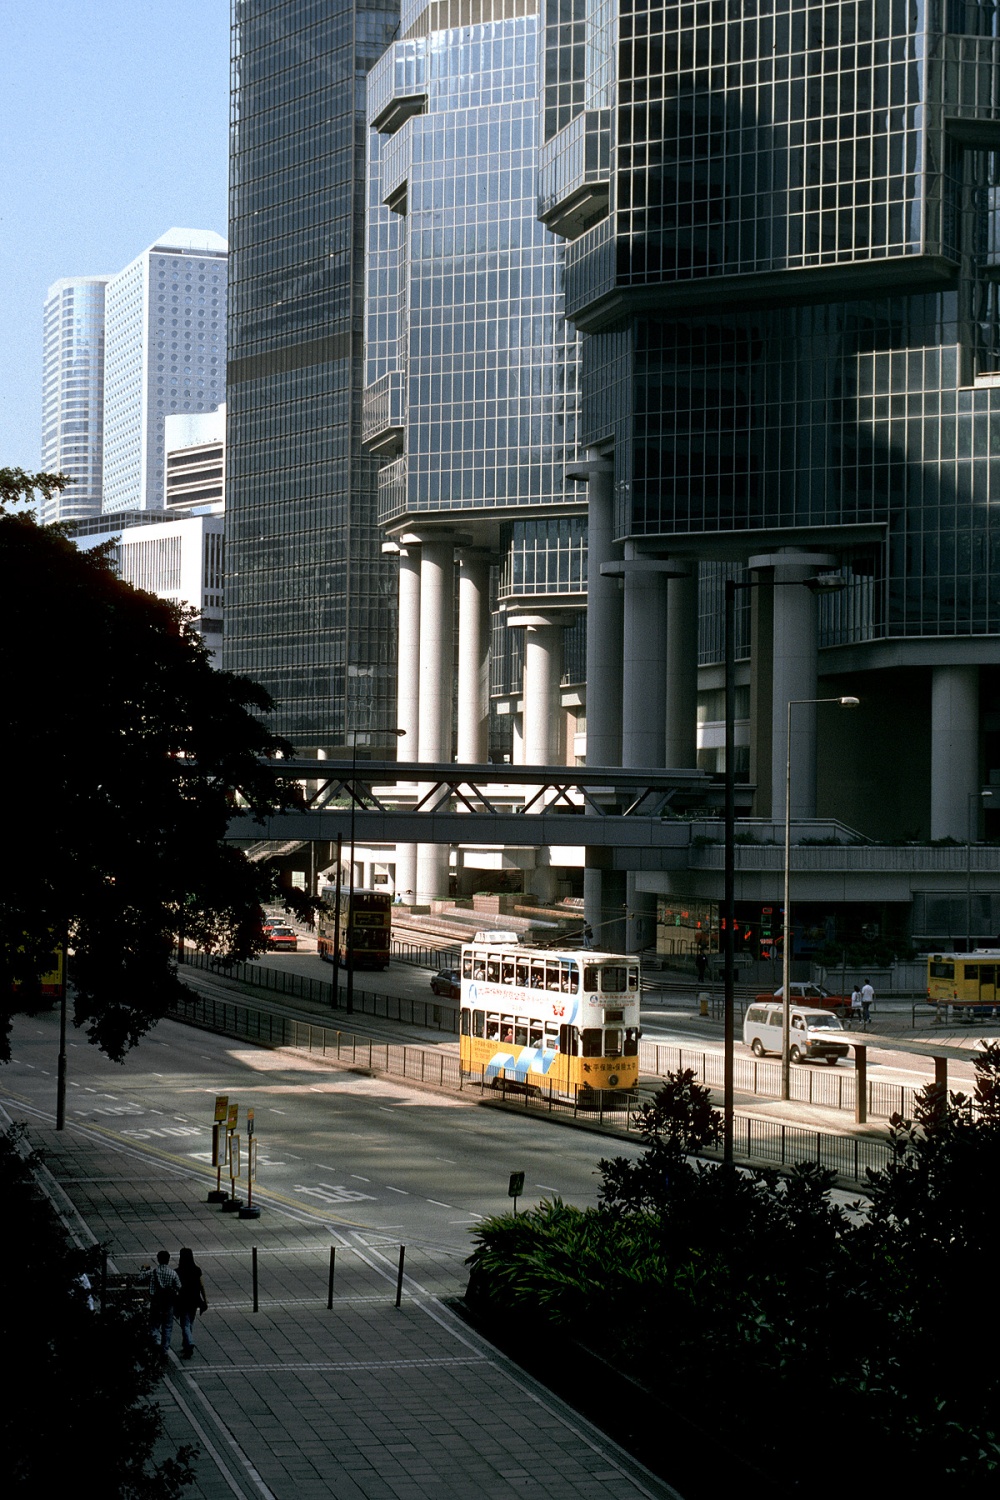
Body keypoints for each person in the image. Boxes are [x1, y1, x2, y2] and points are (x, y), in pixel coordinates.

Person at [176, 1247, 208, 1360]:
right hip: (194, 1300)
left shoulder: (178, 1271)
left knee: (184, 1323)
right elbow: (201, 1286)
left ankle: (189, 1343)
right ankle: (186, 1344)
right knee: (190, 1322)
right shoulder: (196, 1270)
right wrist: (205, 1299)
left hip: (183, 1300)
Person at [148, 1250, 181, 1355]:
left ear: (158, 1259)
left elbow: (148, 1286)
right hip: (168, 1303)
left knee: (155, 1324)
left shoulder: (154, 1272)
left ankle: (156, 1342)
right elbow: (179, 1286)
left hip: (156, 1302)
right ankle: (165, 1349)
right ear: (168, 1259)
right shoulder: (173, 1273)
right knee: (167, 1326)